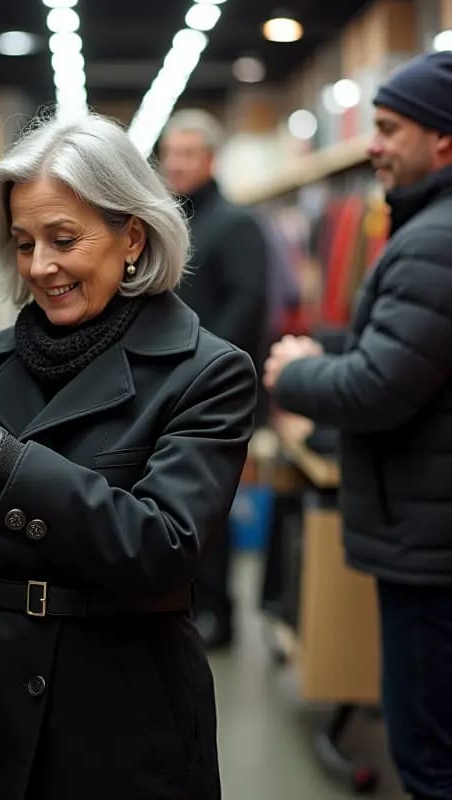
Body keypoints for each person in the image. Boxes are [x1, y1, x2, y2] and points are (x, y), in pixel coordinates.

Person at [0, 112, 257, 800]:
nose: (40, 267)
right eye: (24, 242)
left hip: (125, 713)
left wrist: (9, 464)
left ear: (132, 237)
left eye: (64, 239)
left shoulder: (208, 372)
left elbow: (164, 547)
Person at [263, 51, 452, 800]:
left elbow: (381, 385)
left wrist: (296, 374)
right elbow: (420, 351)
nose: (374, 145)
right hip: (432, 529)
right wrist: (332, 347)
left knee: (430, 754)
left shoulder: (435, 238)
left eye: (389, 128)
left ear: (442, 139)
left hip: (430, 545)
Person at [160, 109, 268, 648]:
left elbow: (248, 305)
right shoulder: (169, 221)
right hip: (171, 386)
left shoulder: (236, 223)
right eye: (170, 154)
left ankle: (219, 614)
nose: (176, 164)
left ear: (210, 159)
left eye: (187, 155)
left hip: (216, 388)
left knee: (212, 500)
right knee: (178, 500)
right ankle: (189, 605)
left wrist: (205, 369)